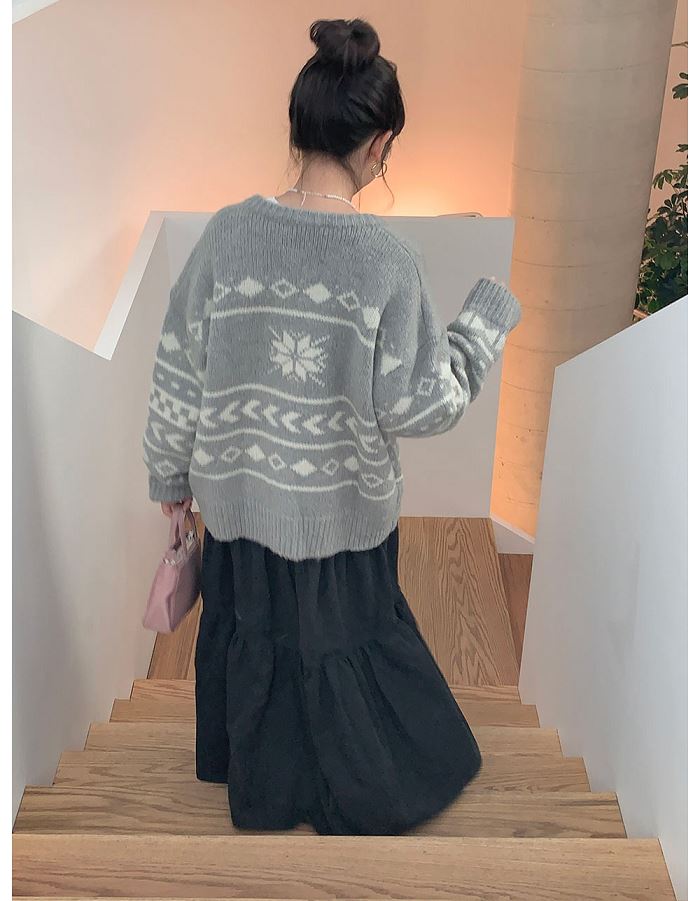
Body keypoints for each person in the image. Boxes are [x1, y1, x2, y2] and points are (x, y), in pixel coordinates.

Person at [143, 17, 521, 835]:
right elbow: (423, 404)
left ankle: (267, 789)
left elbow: (177, 365)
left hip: (240, 518)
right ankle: (366, 788)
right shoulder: (386, 263)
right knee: (346, 649)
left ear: (298, 126)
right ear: (380, 146)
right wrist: (479, 329)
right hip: (342, 522)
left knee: (258, 642)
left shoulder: (227, 235)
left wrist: (170, 478)